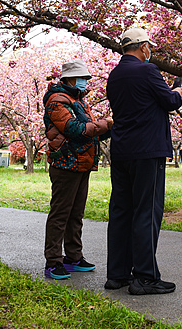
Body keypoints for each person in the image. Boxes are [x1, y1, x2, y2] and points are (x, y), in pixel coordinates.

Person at [105, 26, 182, 295]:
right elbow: (169, 102)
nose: (150, 51)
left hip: (122, 151)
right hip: (147, 151)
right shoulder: (148, 70)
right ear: (142, 47)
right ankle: (145, 278)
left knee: (121, 211)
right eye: (149, 46)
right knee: (147, 212)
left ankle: (117, 274)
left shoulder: (114, 76)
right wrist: (177, 92)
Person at [42, 59, 113, 281]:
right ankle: (53, 261)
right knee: (61, 213)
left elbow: (90, 132)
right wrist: (106, 124)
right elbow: (74, 129)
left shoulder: (79, 102)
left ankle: (73, 257)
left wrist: (110, 127)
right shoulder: (57, 101)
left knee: (76, 214)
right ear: (69, 79)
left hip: (82, 162)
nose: (84, 82)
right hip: (65, 164)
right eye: (82, 78)